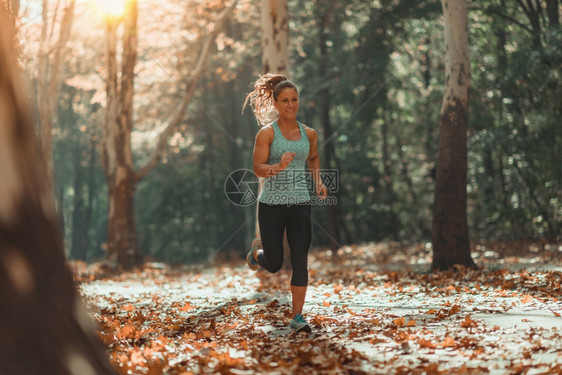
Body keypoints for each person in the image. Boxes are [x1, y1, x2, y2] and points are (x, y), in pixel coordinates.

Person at [242, 73, 327, 333]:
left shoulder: (309, 134)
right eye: (285, 101)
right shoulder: (266, 134)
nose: (291, 105)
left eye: (294, 100)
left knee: (300, 259)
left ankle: (298, 316)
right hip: (271, 206)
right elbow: (257, 168)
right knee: (276, 263)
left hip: (300, 203)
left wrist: (319, 182)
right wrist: (278, 166)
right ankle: (257, 255)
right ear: (276, 104)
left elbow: (312, 158)